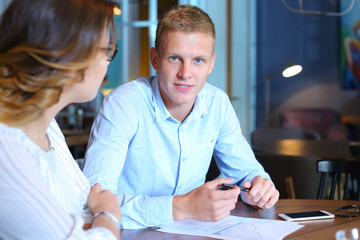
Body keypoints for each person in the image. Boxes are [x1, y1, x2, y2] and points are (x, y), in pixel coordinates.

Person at [84, 4, 279, 229]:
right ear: (155, 59)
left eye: (198, 60)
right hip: (127, 234)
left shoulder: (217, 103)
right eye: (175, 58)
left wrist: (257, 189)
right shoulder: (123, 105)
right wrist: (182, 207)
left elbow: (246, 173)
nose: (185, 74)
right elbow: (92, 202)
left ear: (211, 63)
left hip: (192, 232)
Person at [0, 0, 122, 239]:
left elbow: (87, 202)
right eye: (106, 49)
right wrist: (108, 215)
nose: (108, 61)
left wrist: (98, 217)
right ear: (69, 53)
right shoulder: (6, 144)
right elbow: (96, 211)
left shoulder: (47, 125)